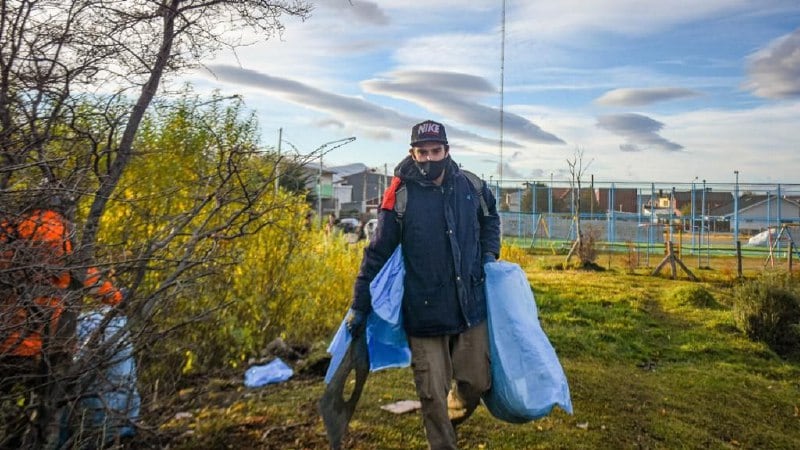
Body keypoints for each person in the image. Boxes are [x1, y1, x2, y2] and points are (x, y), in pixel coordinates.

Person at [347, 120, 501, 449]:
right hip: (425, 310)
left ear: (447, 150)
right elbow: (377, 252)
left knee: (475, 382)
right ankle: (442, 440)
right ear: (412, 153)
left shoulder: (471, 186)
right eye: (423, 152)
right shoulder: (400, 194)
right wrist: (359, 305)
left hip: (469, 306)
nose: (430, 159)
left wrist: (489, 253)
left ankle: (450, 418)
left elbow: (491, 217)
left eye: (436, 151)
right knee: (431, 395)